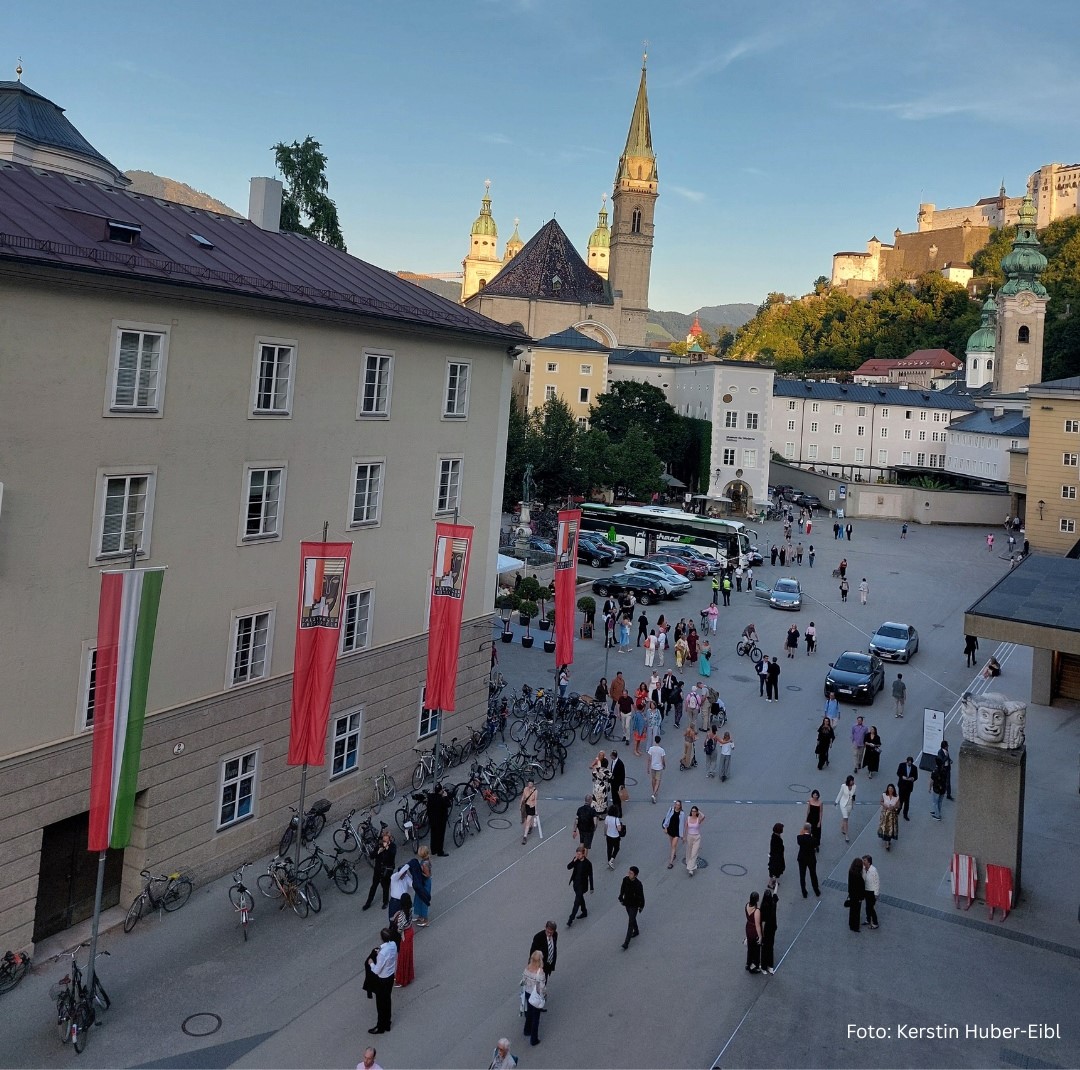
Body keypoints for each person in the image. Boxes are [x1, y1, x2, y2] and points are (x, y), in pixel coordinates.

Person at [367, 928, 398, 1034]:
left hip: (383, 979)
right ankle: (387, 1023)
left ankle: (380, 1026)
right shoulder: (393, 944)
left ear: (381, 938)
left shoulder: (382, 954)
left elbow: (376, 970)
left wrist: (371, 963)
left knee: (380, 1003)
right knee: (387, 999)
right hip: (390, 976)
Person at [363, 828, 397, 911]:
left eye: (386, 840)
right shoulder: (379, 845)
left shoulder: (392, 846)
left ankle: (385, 902)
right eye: (383, 839)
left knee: (385, 886)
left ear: (389, 839)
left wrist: (387, 848)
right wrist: (378, 851)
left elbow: (392, 856)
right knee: (374, 886)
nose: (384, 842)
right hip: (378, 869)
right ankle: (368, 902)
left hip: (387, 870)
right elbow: (371, 856)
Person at [521, 950, 546, 1047]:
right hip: (535, 995)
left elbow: (523, 980)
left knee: (529, 1013)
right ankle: (534, 1039)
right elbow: (542, 987)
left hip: (527, 993)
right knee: (536, 1017)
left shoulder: (527, 968)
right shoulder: (540, 972)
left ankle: (527, 1030)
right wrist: (544, 995)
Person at [618, 865, 645, 950]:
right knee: (632, 918)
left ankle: (626, 942)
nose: (629, 874)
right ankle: (636, 931)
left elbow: (641, 896)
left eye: (631, 873)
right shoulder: (625, 880)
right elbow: (622, 889)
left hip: (634, 905)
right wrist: (621, 897)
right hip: (627, 903)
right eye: (629, 872)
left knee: (630, 922)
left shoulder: (638, 884)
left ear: (636, 875)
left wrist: (641, 906)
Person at [566, 845, 594, 926]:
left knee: (576, 902)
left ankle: (571, 919)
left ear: (583, 854)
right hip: (576, 884)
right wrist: (573, 861)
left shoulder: (588, 863)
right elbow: (568, 867)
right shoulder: (576, 860)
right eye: (577, 854)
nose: (577, 856)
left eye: (579, 854)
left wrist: (592, 887)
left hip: (582, 886)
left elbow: (590, 875)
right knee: (580, 898)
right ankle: (584, 911)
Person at [392, 893, 415, 987]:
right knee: (408, 955)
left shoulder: (401, 915)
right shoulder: (410, 910)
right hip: (410, 931)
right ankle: (408, 976)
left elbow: (399, 929)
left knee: (402, 957)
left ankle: (402, 980)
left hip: (405, 935)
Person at [409, 846, 432, 927]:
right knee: (418, 898)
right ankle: (420, 916)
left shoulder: (425, 864)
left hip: (425, 883)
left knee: (424, 899)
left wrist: (418, 872)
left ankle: (425, 920)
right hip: (422, 882)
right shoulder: (425, 861)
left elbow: (427, 875)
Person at [427, 783, 452, 857]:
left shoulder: (431, 797)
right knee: (440, 836)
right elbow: (448, 804)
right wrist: (445, 796)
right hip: (440, 820)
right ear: (440, 791)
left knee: (433, 835)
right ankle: (440, 851)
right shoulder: (441, 799)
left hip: (432, 820)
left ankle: (433, 849)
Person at [760, 878, 779, 974]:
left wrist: (761, 934)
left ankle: (763, 966)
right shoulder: (773, 903)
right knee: (770, 947)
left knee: (764, 948)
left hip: (766, 929)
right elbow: (775, 893)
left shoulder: (763, 907)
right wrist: (776, 886)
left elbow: (762, 921)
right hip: (773, 927)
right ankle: (770, 966)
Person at [796, 822, 820, 897]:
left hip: (802, 858)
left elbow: (799, 837)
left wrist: (801, 833)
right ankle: (816, 890)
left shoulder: (799, 838)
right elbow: (816, 844)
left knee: (802, 876)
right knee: (813, 874)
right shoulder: (813, 839)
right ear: (810, 830)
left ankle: (804, 892)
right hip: (811, 859)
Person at [663, 798, 685, 869]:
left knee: (673, 846)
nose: (677, 806)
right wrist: (665, 828)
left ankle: (670, 862)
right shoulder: (671, 809)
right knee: (671, 844)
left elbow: (682, 824)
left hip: (677, 832)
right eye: (676, 804)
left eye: (678, 805)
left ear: (680, 806)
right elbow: (667, 818)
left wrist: (682, 835)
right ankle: (674, 854)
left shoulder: (682, 813)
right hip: (670, 830)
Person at [684, 804, 705, 876]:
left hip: (697, 837)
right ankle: (689, 864)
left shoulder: (698, 819)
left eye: (695, 811)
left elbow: (703, 816)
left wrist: (699, 811)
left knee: (694, 852)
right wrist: (684, 837)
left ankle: (690, 869)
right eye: (692, 811)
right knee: (689, 852)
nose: (693, 812)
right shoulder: (688, 818)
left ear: (696, 812)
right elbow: (686, 828)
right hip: (689, 836)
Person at [744, 891, 762, 973]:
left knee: (750, 947)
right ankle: (753, 966)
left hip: (748, 927)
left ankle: (748, 963)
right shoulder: (756, 911)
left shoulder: (747, 905)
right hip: (753, 930)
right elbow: (757, 925)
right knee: (756, 949)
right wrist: (760, 936)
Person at [878, 784, 900, 851]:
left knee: (891, 829)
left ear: (893, 790)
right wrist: (885, 805)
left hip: (892, 816)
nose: (890, 790)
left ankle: (888, 840)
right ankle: (887, 843)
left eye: (891, 788)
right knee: (885, 828)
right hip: (885, 814)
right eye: (889, 788)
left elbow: (898, 805)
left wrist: (893, 807)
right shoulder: (884, 795)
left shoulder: (896, 797)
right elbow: (881, 802)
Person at [896, 756, 918, 820]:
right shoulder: (901, 765)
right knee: (901, 799)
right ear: (907, 761)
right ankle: (898, 810)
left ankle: (905, 814)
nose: (909, 764)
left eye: (910, 763)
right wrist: (902, 777)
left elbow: (916, 776)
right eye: (908, 763)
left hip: (909, 786)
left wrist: (912, 778)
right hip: (902, 785)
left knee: (907, 801)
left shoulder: (914, 768)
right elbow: (898, 773)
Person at [846, 859, 865, 933]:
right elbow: (861, 888)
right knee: (857, 912)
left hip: (852, 895)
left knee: (852, 911)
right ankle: (855, 927)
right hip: (857, 897)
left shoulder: (851, 872)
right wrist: (861, 898)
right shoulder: (859, 876)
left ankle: (851, 924)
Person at [836, 775, 856, 842]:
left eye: (853, 780)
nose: (852, 782)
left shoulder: (854, 786)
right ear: (848, 781)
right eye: (851, 781)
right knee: (846, 819)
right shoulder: (843, 786)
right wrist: (836, 801)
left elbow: (853, 795)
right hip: (843, 804)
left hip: (849, 805)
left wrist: (853, 803)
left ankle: (842, 827)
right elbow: (840, 793)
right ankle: (847, 835)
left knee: (846, 818)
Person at [862, 856, 880, 928]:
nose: (863, 862)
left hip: (872, 892)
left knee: (871, 908)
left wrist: (876, 894)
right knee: (867, 906)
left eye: (865, 860)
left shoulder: (873, 870)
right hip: (866, 890)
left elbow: (877, 882)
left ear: (869, 862)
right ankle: (868, 919)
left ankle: (875, 923)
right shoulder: (863, 868)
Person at [647, 736, 665, 803]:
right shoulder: (661, 750)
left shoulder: (651, 749)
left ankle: (654, 791)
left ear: (655, 741)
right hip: (659, 767)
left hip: (652, 766)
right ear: (659, 741)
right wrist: (664, 765)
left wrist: (648, 767)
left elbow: (649, 759)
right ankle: (654, 793)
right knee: (658, 781)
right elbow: (663, 760)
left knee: (653, 779)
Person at [520, 780, 539, 844]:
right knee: (526, 820)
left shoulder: (535, 791)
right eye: (529, 784)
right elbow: (523, 797)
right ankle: (530, 827)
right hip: (526, 806)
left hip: (531, 807)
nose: (529, 785)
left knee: (527, 821)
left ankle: (524, 837)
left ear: (533, 784)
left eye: (531, 784)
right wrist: (520, 805)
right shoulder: (525, 789)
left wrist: (536, 810)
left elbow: (535, 801)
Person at [609, 749, 626, 817]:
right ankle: (614, 811)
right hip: (613, 783)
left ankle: (619, 813)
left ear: (613, 756)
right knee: (614, 797)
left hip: (618, 784)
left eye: (611, 755)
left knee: (618, 799)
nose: (610, 756)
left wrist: (622, 784)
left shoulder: (620, 763)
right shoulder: (613, 762)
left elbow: (623, 775)